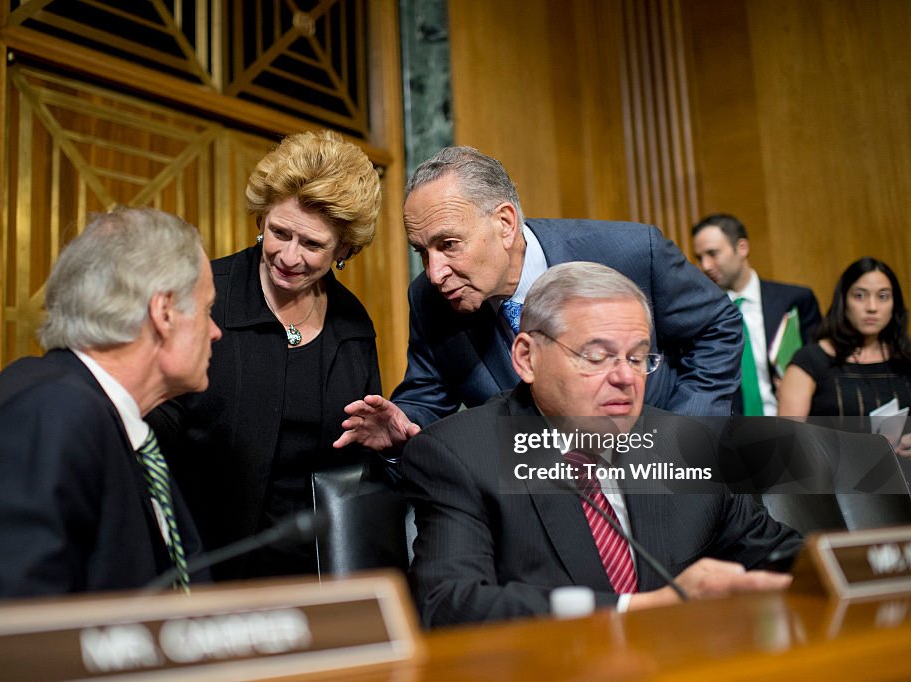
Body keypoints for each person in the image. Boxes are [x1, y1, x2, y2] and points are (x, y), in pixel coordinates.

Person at [0, 208, 220, 652]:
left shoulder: (82, 407)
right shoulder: (50, 414)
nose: (216, 332)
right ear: (163, 313)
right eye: (208, 310)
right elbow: (8, 649)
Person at [401, 261, 800, 628]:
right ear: (526, 358)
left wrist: (852, 563)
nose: (626, 378)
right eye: (596, 356)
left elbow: (779, 556)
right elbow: (448, 603)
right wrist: (637, 609)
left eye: (638, 357)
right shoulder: (459, 455)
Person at [334, 146, 742, 454]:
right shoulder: (429, 299)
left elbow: (718, 326)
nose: (434, 271)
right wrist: (403, 423)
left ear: (506, 224)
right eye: (422, 251)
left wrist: (684, 433)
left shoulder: (631, 252)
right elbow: (426, 398)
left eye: (448, 244)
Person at [147, 130, 384, 580]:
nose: (289, 256)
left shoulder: (353, 327)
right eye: (279, 232)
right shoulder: (205, 295)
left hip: (311, 575)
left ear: (345, 249)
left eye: (312, 245)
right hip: (199, 570)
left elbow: (358, 467)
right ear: (261, 220)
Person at [778, 258, 911, 456]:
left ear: (894, 304)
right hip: (831, 481)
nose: (872, 307)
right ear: (844, 301)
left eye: (883, 296)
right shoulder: (810, 360)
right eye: (860, 296)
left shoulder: (906, 357)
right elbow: (786, 444)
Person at [692, 213, 821, 416]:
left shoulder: (795, 300)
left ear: (742, 248)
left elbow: (821, 367)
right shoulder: (700, 314)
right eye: (700, 258)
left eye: (713, 253)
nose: (705, 266)